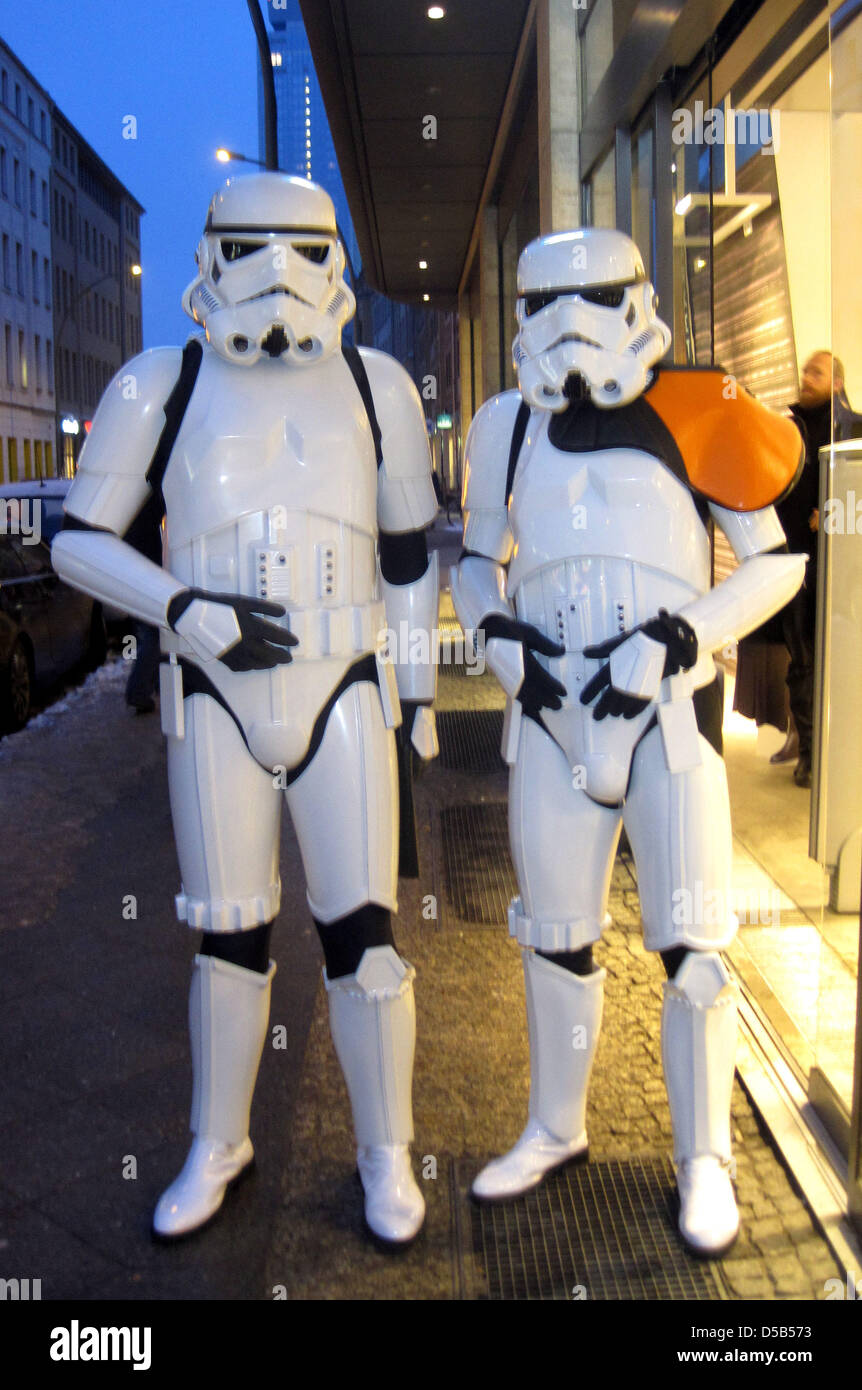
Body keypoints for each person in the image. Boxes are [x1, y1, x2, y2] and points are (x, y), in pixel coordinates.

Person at [52, 173, 439, 1245]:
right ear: (210, 255)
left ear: (337, 259)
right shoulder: (156, 383)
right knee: (227, 932)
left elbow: (407, 551)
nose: (279, 273)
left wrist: (413, 693)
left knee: (364, 936)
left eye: (303, 248)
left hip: (343, 683)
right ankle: (217, 1138)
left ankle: (385, 1148)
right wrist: (182, 609)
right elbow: (76, 539)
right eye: (251, 245)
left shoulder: (379, 388)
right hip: (217, 692)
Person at [452, 228, 805, 1255]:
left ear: (635, 298)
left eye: (592, 298)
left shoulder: (701, 405)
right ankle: (557, 1124)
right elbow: (476, 560)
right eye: (543, 305)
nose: (567, 326)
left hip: (670, 720)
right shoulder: (505, 426)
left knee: (694, 944)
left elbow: (773, 564)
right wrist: (505, 643)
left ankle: (705, 1156)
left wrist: (680, 633)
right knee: (554, 936)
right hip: (552, 712)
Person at [777, 351, 862, 787]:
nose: (805, 378)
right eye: (805, 370)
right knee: (802, 667)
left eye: (817, 372)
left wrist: (831, 512)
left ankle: (842, 755)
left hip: (843, 574)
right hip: (797, 567)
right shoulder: (788, 430)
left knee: (843, 663)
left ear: (837, 382)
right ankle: (811, 755)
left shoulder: (854, 429)